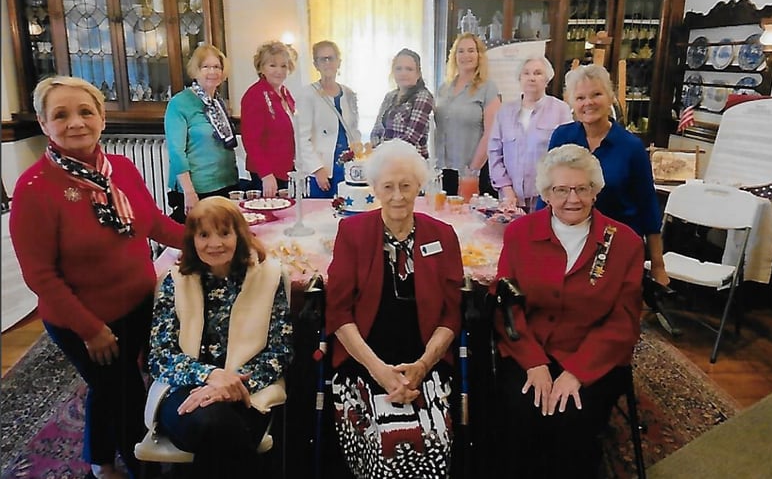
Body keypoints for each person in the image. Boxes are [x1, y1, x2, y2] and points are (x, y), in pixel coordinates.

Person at [10, 76, 185, 479]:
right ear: (43, 123)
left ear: (102, 118)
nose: (75, 122)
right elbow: (41, 276)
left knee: (108, 388)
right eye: (61, 115)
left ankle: (100, 461)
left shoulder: (120, 167)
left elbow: (153, 223)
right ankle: (146, 469)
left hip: (137, 304)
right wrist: (92, 329)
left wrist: (208, 241)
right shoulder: (34, 188)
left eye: (86, 111)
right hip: (85, 321)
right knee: (126, 394)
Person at [495, 144, 644, 478]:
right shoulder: (520, 233)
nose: (572, 199)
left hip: (594, 358)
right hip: (530, 351)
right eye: (561, 190)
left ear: (596, 191)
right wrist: (533, 362)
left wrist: (577, 372)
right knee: (520, 415)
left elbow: (623, 322)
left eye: (582, 189)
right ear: (546, 193)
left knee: (574, 420)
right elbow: (506, 305)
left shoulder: (625, 243)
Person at [326, 139, 464, 478]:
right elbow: (339, 313)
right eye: (388, 187)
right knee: (386, 440)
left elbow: (451, 314)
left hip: (425, 362)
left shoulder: (443, 236)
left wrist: (422, 365)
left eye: (406, 186)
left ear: (420, 185)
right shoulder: (353, 232)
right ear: (374, 189)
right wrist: (379, 371)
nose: (398, 195)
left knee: (433, 437)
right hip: (364, 361)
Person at [148, 196, 293, 479]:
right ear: (192, 239)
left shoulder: (268, 276)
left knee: (220, 431)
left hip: (248, 387)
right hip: (185, 386)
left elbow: (280, 351)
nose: (215, 243)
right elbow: (159, 355)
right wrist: (211, 376)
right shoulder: (173, 280)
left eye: (224, 233)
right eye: (204, 235)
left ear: (239, 235)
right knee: (216, 426)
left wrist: (231, 384)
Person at [546, 63, 668, 285]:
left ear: (610, 96)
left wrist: (658, 267)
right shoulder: (561, 137)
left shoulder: (631, 147)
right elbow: (548, 191)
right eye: (580, 97)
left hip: (616, 246)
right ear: (572, 103)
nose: (588, 103)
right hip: (568, 243)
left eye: (596, 94)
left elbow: (648, 206)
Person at [164, 44, 239, 223]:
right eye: (206, 67)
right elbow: (176, 152)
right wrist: (189, 193)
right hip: (197, 189)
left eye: (217, 67)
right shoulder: (179, 103)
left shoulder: (218, 103)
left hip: (226, 182)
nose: (212, 71)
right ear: (196, 70)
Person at [488, 55, 572, 211]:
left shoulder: (561, 110)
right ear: (519, 78)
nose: (531, 78)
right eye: (526, 73)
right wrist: (507, 190)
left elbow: (566, 157)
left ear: (547, 80)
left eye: (538, 73)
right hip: (510, 201)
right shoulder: (504, 112)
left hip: (547, 200)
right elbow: (494, 153)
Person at [434, 33, 501, 196]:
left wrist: (472, 172)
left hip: (471, 172)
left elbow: (491, 134)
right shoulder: (444, 88)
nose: (465, 55)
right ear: (454, 56)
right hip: (442, 170)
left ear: (479, 55)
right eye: (461, 51)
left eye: (471, 50)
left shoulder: (488, 88)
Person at [296, 40, 360, 198]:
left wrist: (359, 161)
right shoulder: (307, 94)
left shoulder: (349, 94)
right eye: (322, 59)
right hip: (323, 168)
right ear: (315, 64)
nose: (327, 63)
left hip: (347, 167)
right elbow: (301, 137)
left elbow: (354, 130)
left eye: (331, 58)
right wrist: (317, 169)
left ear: (339, 62)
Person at [240, 41, 298, 197]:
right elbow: (251, 141)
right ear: (261, 68)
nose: (279, 71)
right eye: (272, 65)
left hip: (287, 170)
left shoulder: (285, 93)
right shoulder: (255, 95)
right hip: (267, 175)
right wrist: (266, 174)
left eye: (283, 66)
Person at [370, 48, 433, 159]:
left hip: (411, 165)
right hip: (384, 162)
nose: (403, 73)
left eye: (409, 69)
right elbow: (376, 132)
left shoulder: (423, 97)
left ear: (418, 74)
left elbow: (410, 139)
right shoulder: (389, 97)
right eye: (399, 69)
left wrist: (383, 153)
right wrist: (379, 153)